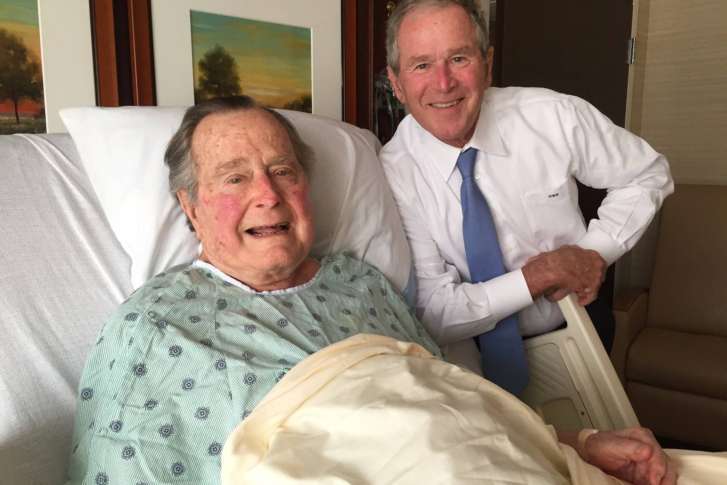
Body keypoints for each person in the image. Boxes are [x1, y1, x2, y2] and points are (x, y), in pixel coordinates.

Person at [66, 96, 673, 485]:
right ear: (190, 207)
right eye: (234, 178)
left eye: (282, 171)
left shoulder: (360, 282)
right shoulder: (157, 327)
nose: (267, 195)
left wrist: (581, 444)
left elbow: (455, 416)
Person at [380, 0, 674, 386]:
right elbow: (434, 309)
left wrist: (594, 253)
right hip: (468, 356)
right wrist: (537, 277)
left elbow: (647, 173)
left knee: (604, 425)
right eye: (421, 65)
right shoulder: (393, 169)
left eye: (459, 58)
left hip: (578, 328)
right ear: (396, 83)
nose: (443, 83)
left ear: (487, 65)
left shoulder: (551, 116)